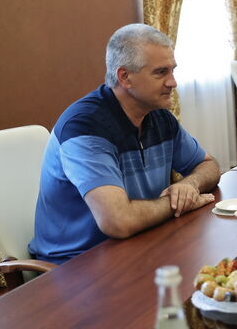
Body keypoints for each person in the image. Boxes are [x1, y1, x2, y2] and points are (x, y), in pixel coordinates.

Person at [29, 24, 220, 264]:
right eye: (161, 72)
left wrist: (189, 185)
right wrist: (177, 204)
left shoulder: (159, 116)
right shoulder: (84, 127)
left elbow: (209, 165)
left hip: (140, 243)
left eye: (173, 71)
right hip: (75, 264)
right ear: (125, 77)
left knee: (213, 267)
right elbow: (118, 221)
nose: (173, 82)